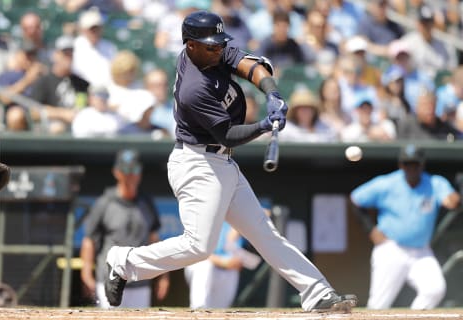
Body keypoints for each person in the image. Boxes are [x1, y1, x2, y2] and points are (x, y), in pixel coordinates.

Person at [104, 10, 357, 313]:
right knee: (198, 247)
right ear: (190, 45)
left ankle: (317, 293)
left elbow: (250, 66)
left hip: (220, 164)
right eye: (211, 46)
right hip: (197, 163)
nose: (218, 50)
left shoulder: (210, 52)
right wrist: (264, 126)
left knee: (265, 233)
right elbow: (228, 135)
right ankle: (124, 262)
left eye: (219, 44)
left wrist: (272, 92)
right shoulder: (193, 88)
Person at [350, 144, 461, 309]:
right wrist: (370, 229)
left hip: (421, 252)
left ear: (422, 164)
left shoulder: (434, 183)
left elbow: (451, 200)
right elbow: (356, 199)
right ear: (401, 165)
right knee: (378, 305)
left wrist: (455, 198)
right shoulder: (387, 183)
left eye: (415, 164)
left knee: (434, 290)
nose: (411, 168)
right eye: (407, 164)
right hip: (392, 249)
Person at [80, 149, 169, 308]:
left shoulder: (146, 203)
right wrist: (86, 274)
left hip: (140, 282)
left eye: (134, 170)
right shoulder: (105, 202)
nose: (130, 175)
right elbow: (89, 240)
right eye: (126, 170)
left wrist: (163, 276)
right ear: (117, 172)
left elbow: (154, 240)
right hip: (109, 281)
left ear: (140, 172)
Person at [184, 222, 250, 309]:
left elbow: (265, 214)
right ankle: (198, 307)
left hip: (227, 270)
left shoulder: (239, 219)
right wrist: (223, 262)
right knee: (204, 265)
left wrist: (239, 226)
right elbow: (195, 251)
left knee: (219, 310)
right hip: (202, 264)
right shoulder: (204, 217)